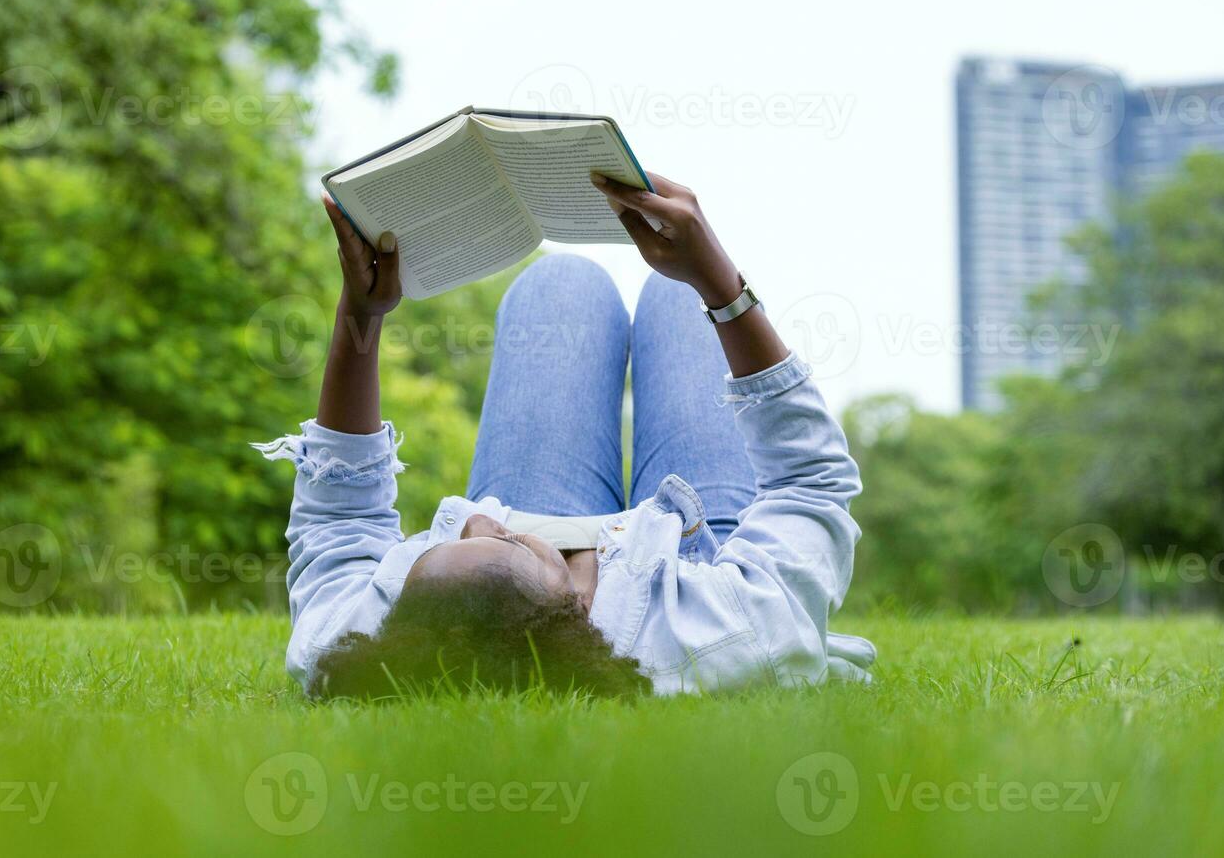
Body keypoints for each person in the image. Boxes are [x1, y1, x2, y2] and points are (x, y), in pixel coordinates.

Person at [256, 171, 875, 698]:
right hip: (694, 559)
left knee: (560, 283)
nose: (475, 519)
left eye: (436, 550)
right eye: (507, 546)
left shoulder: (354, 641)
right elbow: (810, 482)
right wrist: (718, 282)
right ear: (575, 609)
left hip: (543, 518)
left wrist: (360, 315)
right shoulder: (720, 632)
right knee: (675, 297)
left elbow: (338, 520)